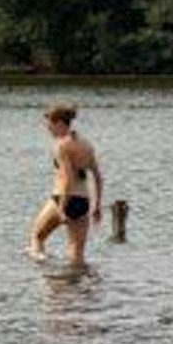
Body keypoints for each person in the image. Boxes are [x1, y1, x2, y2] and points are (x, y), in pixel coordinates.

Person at [27, 104, 104, 267]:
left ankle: (45, 279)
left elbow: (67, 178)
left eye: (50, 125)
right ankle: (77, 287)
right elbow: (98, 177)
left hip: (63, 198)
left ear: (60, 123)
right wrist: (97, 206)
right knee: (77, 251)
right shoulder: (87, 145)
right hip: (84, 201)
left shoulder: (62, 145)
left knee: (37, 236)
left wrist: (62, 207)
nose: (48, 129)